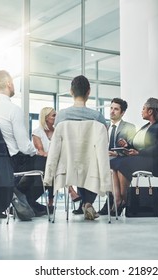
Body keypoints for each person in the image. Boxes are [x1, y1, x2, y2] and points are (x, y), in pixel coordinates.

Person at [0, 70, 46, 216]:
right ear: (9, 84)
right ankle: (23, 199)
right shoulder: (14, 110)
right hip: (11, 163)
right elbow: (24, 146)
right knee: (46, 163)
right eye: (13, 83)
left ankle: (22, 199)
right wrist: (36, 152)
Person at [54, 75, 107, 220]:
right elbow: (104, 140)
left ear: (71, 92)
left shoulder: (61, 116)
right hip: (90, 165)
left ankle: (84, 203)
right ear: (88, 92)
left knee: (79, 165)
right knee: (90, 164)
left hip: (68, 163)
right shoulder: (97, 116)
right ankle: (88, 202)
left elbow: (57, 139)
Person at [110, 97, 158, 216]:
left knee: (122, 163)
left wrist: (139, 153)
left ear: (150, 111)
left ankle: (124, 200)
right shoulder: (146, 126)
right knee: (114, 162)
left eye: (144, 108)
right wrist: (127, 145)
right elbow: (138, 145)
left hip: (155, 163)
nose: (141, 111)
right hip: (143, 159)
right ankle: (118, 199)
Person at [98, 97, 136, 215]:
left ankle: (117, 200)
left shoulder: (129, 127)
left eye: (116, 109)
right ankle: (117, 200)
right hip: (106, 158)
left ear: (122, 112)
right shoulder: (105, 127)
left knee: (114, 165)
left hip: (122, 159)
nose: (112, 111)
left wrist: (117, 153)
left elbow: (131, 147)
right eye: (111, 108)